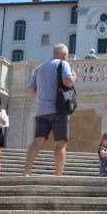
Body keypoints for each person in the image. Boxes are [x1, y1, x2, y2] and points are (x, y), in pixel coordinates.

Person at [23, 43, 77, 176]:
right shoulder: (63, 64)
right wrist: (75, 77)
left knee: (37, 141)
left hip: (41, 110)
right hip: (59, 110)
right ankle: (58, 176)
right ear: (65, 55)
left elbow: (30, 89)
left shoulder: (40, 67)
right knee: (60, 143)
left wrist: (42, 97)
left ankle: (27, 171)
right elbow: (67, 81)